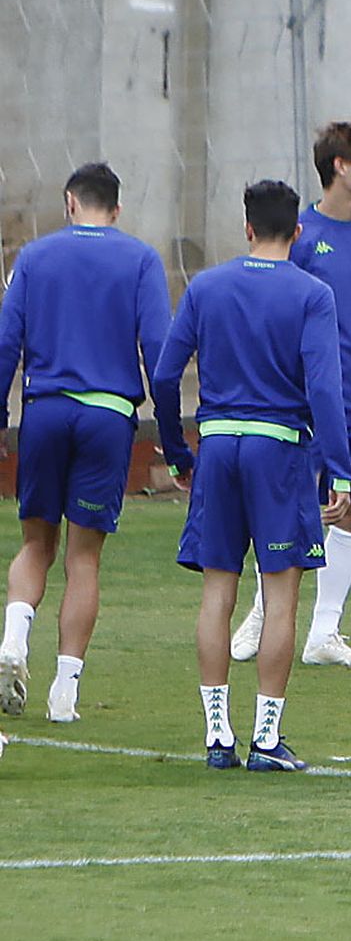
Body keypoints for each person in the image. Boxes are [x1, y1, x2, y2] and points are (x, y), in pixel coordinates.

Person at [152, 180, 351, 771]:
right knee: (281, 594)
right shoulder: (312, 295)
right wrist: (338, 469)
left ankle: (218, 735)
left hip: (216, 447)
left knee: (218, 591)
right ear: (296, 233)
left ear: (245, 229)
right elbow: (324, 388)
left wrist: (175, 449)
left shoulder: (206, 286)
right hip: (278, 451)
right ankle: (266, 738)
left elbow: (165, 376)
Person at [0, 163, 188, 723]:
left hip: (45, 409)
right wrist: (174, 444)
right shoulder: (141, 259)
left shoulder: (33, 258)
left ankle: (12, 642)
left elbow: (6, 344)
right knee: (84, 559)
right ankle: (65, 693)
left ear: (69, 203)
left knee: (37, 543)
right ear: (118, 209)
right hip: (108, 416)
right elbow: (161, 355)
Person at [230, 122, 351, 668]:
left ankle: (324, 632)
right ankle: (261, 612)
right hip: (306, 402)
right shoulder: (300, 235)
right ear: (339, 167)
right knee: (296, 510)